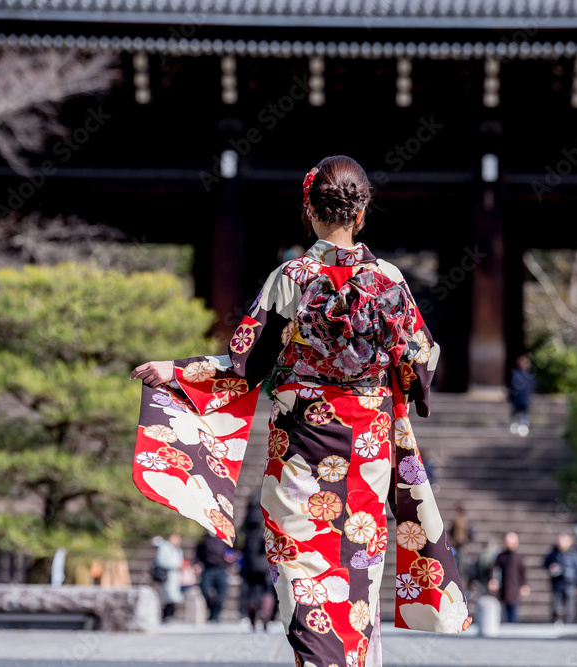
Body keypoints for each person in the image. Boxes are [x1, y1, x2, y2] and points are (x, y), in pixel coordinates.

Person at [131, 155, 471, 665]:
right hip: (367, 456)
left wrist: (177, 371)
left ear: (310, 211)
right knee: (357, 588)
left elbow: (244, 365)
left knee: (305, 587)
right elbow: (421, 363)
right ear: (361, 214)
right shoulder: (390, 280)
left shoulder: (289, 277)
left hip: (300, 457)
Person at [239, 494, 276, 631]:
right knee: (268, 590)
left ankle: (253, 617)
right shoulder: (267, 520)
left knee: (252, 590)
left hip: (250, 563)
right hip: (266, 562)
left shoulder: (247, 522)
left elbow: (239, 543)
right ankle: (266, 614)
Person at [543, 532, 577, 624]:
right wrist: (551, 566)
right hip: (557, 582)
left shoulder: (575, 553)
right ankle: (555, 622)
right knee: (555, 606)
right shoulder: (553, 552)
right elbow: (545, 563)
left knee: (569, 608)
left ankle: (568, 624)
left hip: (570, 583)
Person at [487, 532, 529, 623]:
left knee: (513, 612)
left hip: (514, 588)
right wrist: (493, 580)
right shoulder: (501, 556)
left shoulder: (519, 557)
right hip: (503, 588)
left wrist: (524, 585)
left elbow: (522, 572)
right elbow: (494, 569)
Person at [196, 533, 233, 623]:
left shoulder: (224, 539)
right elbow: (198, 554)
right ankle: (211, 611)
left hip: (221, 568)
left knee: (221, 595)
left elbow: (231, 552)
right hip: (208, 569)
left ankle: (215, 615)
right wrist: (197, 564)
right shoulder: (204, 539)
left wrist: (229, 563)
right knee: (205, 591)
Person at [153, 532, 185, 622]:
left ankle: (170, 614)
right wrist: (177, 565)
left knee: (174, 596)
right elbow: (162, 561)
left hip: (175, 574)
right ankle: (166, 615)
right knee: (168, 595)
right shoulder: (164, 547)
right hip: (167, 574)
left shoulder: (177, 549)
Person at [508, 355, 534, 437]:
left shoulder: (528, 375)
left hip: (524, 399)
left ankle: (523, 427)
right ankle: (515, 426)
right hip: (517, 398)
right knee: (516, 412)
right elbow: (512, 387)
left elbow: (530, 388)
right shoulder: (516, 374)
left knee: (524, 414)